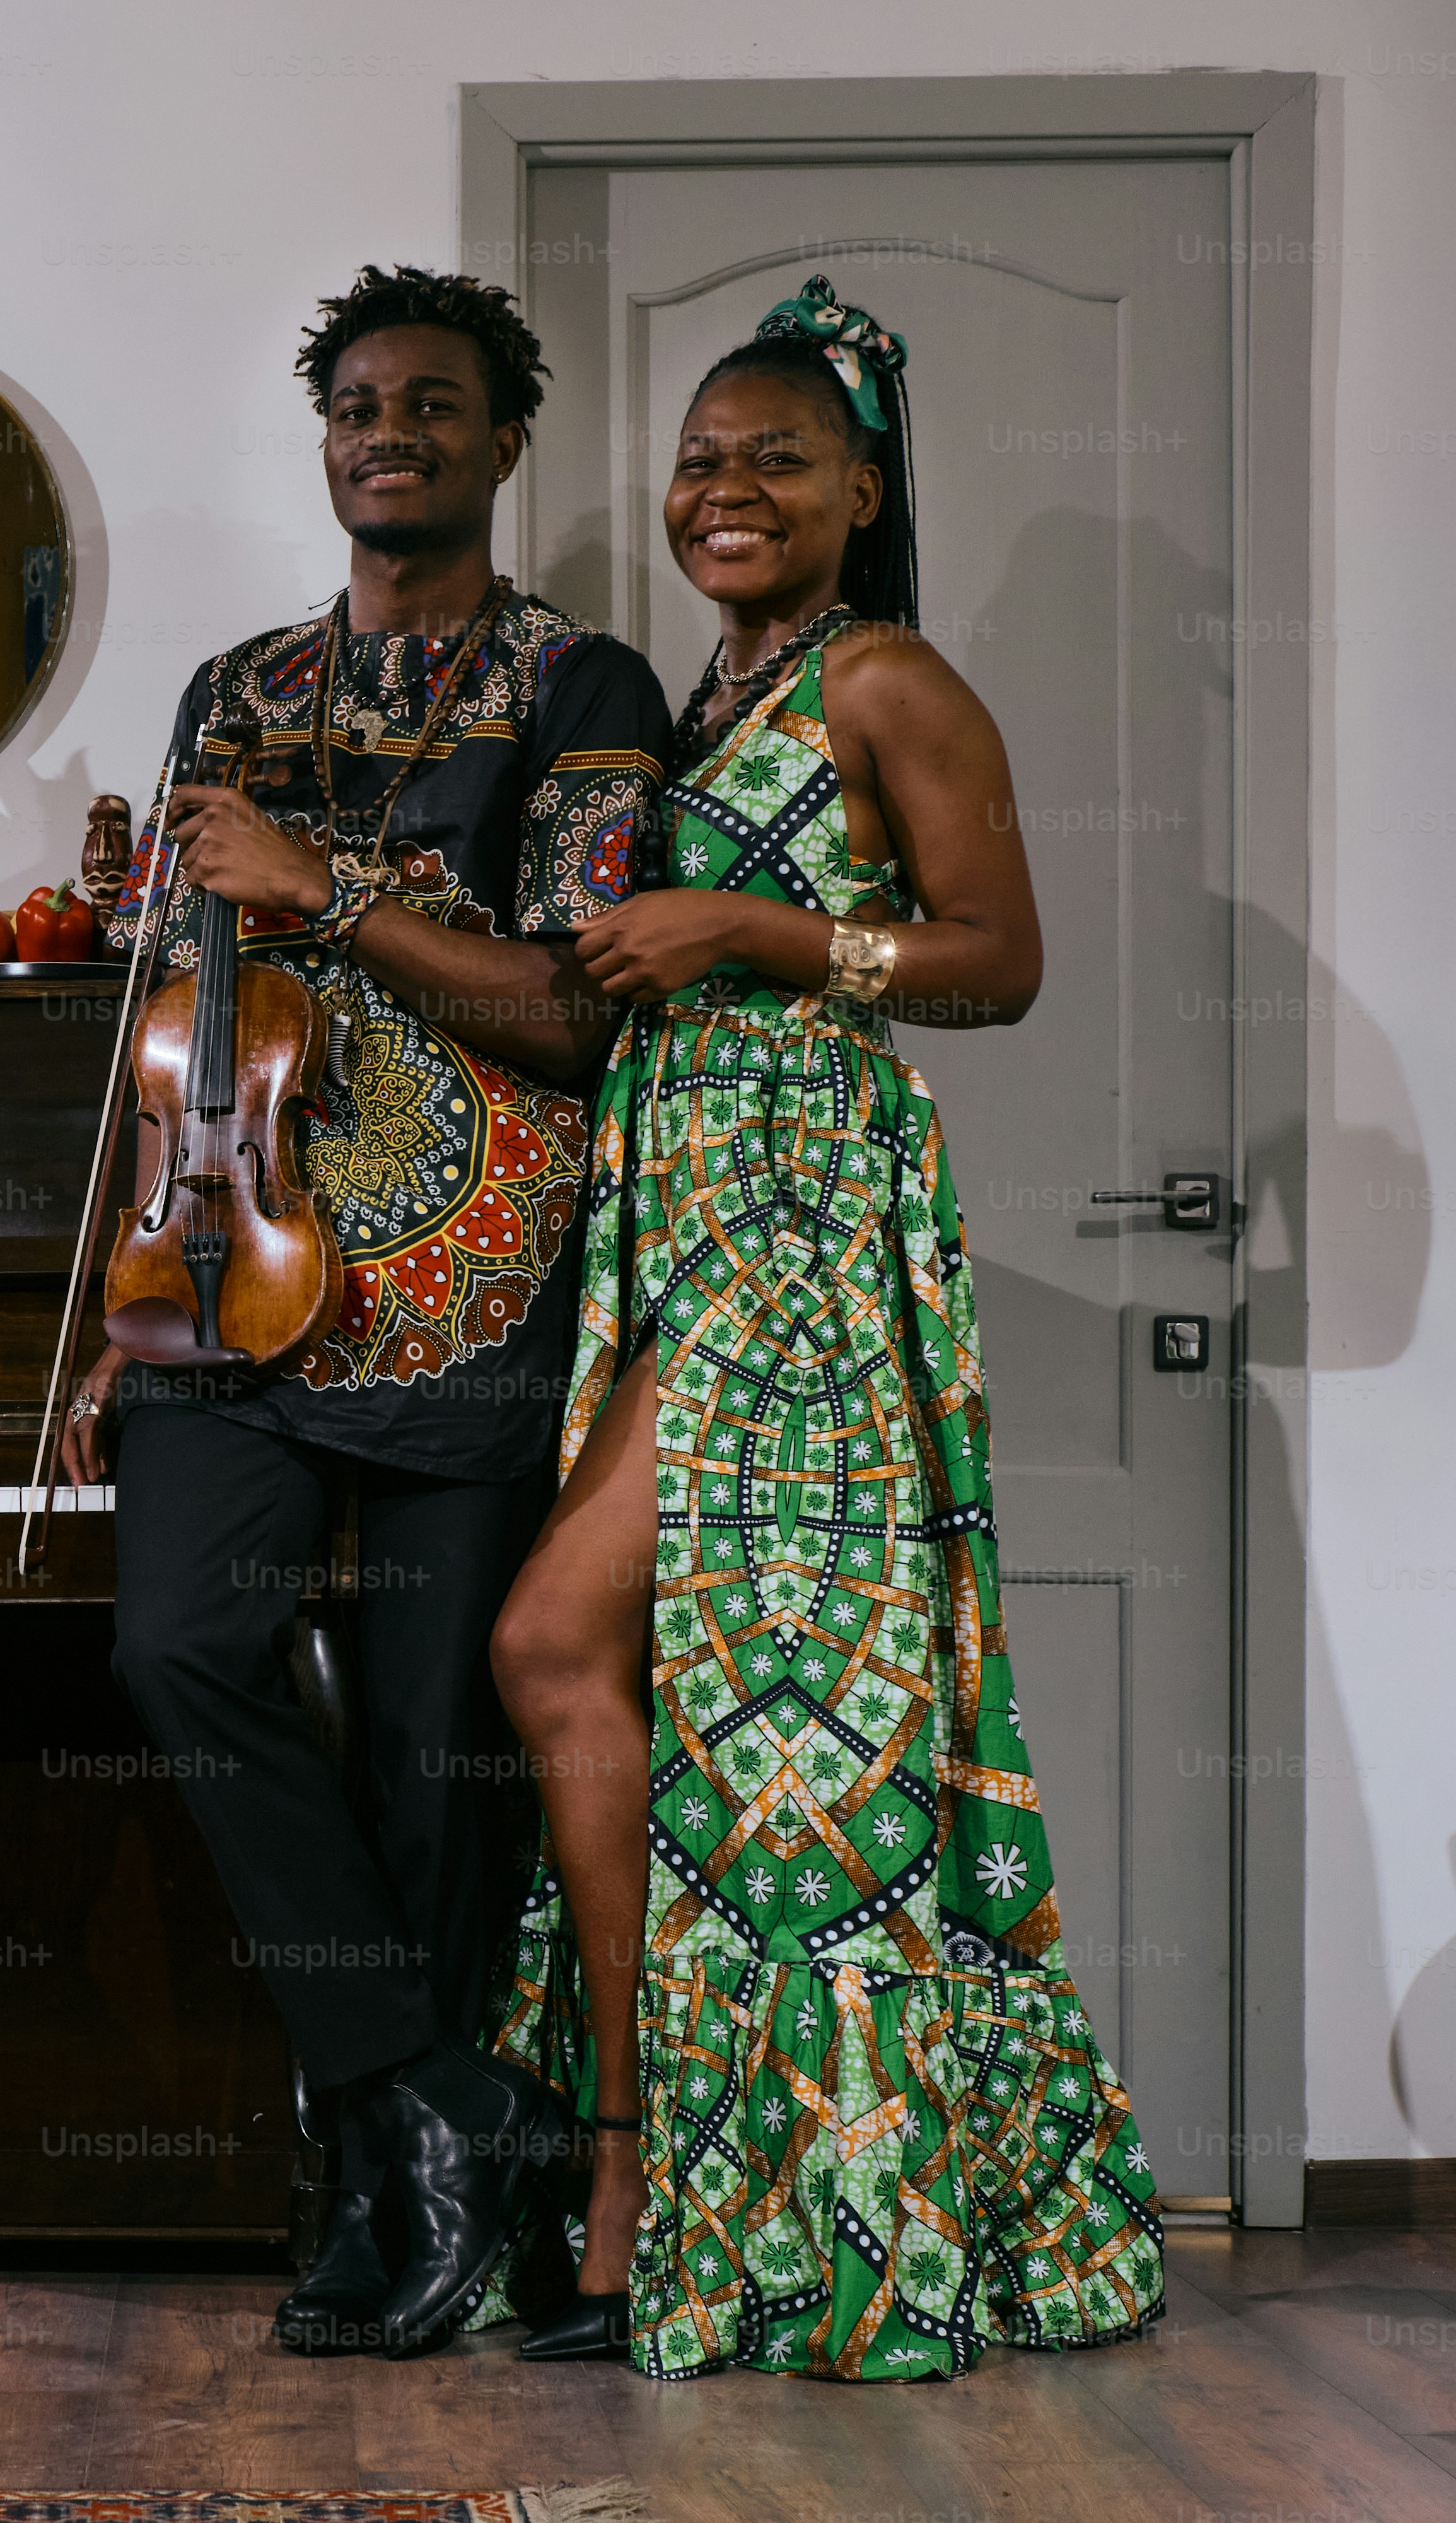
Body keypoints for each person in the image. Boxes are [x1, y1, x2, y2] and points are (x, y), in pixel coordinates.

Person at [483, 279, 1164, 2375]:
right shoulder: (698, 701)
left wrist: (758, 929)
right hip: (678, 1220)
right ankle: (653, 2176)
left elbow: (1005, 960)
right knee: (686, 1697)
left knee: (637, 1671)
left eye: (778, 456)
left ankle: (681, 2193)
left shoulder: (890, 681)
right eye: (698, 458)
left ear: (865, 490)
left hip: (802, 1224)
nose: (726, 489)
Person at [60, 264, 671, 2359]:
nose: (386, 432)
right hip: (231, 1274)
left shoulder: (586, 693)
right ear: (323, 443)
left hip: (478, 1297)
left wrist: (330, 894)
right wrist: (104, 1318)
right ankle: (436, 2106)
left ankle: (387, 2207)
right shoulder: (231, 693)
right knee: (181, 1643)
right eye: (356, 405)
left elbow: (583, 1020)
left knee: (432, 1768)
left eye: (433, 404)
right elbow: (173, 1032)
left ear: (505, 446)